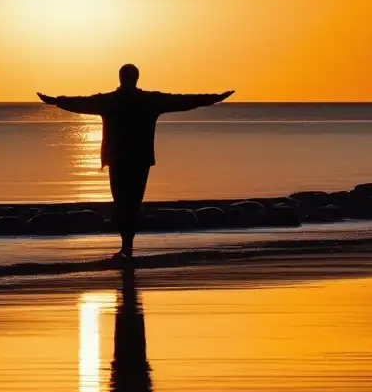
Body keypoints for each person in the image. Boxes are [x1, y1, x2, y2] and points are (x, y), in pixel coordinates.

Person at [38, 64, 234, 258]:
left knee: (123, 203)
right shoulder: (145, 100)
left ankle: (126, 247)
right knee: (131, 203)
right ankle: (127, 246)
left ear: (121, 78)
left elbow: (82, 103)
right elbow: (184, 101)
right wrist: (213, 98)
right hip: (136, 159)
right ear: (135, 78)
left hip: (121, 159)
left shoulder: (114, 101)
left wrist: (57, 101)